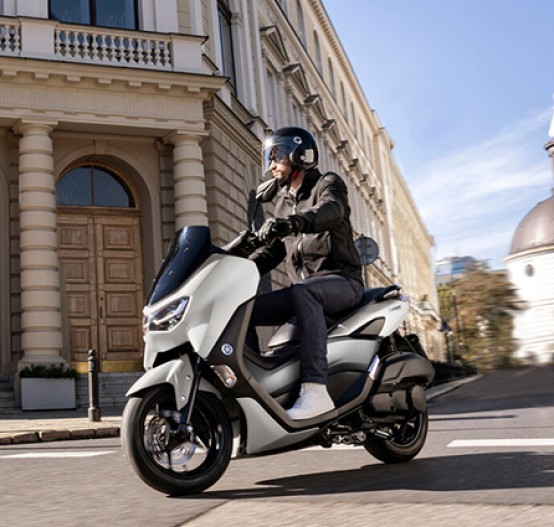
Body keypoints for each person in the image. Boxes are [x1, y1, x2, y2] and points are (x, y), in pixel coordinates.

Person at [248, 126, 364, 420]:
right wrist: (236, 267)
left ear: (299, 155)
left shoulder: (328, 184)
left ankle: (315, 392)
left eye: (277, 157)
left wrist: (293, 223)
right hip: (306, 292)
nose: (271, 165)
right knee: (243, 309)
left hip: (341, 282)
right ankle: (252, 389)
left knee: (305, 291)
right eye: (269, 158)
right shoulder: (283, 202)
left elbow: (331, 211)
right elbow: (274, 251)